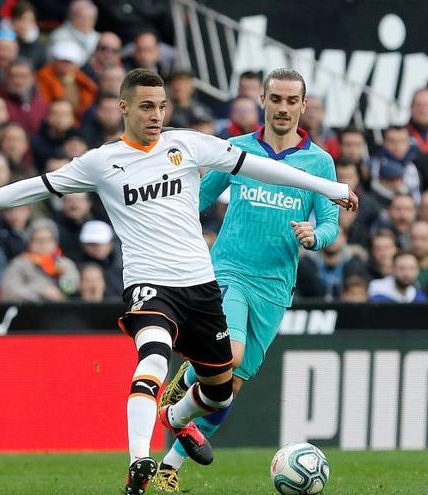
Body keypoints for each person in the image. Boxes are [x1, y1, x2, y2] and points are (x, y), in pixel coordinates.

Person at [0, 68, 356, 495]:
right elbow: (33, 188)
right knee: (152, 358)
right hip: (159, 283)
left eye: (162, 106)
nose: (156, 115)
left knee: (223, 390)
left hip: (205, 286)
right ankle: (141, 464)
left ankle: (173, 419)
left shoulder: (188, 145)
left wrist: (328, 188)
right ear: (124, 108)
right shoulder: (101, 161)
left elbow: (265, 171)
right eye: (147, 106)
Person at [153, 68, 344, 492]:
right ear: (263, 99)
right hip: (229, 272)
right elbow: (197, 199)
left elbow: (331, 221)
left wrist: (315, 236)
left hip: (275, 288)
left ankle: (169, 466)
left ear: (302, 104)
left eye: (291, 100)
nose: (283, 107)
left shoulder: (319, 161)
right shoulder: (236, 150)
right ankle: (181, 392)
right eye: (276, 98)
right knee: (231, 356)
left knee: (229, 389)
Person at [0, 218, 80, 302]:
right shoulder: (20, 263)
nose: (43, 244)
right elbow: (8, 291)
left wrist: (64, 276)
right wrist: (39, 292)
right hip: (31, 309)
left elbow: (71, 289)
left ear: (55, 242)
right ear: (29, 242)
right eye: (38, 240)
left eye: (47, 240)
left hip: (61, 309)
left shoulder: (64, 263)